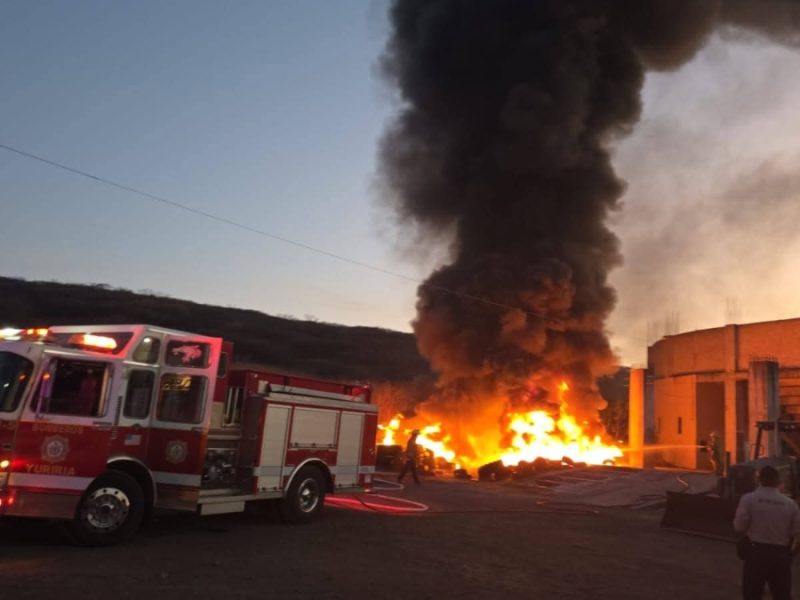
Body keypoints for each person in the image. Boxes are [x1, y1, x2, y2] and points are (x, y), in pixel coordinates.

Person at [733, 465, 800, 600]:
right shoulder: (790, 504)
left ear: (759, 480)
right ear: (778, 481)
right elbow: (796, 532)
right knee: (782, 595)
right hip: (780, 555)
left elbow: (739, 526)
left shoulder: (748, 499)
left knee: (752, 594)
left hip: (756, 554)